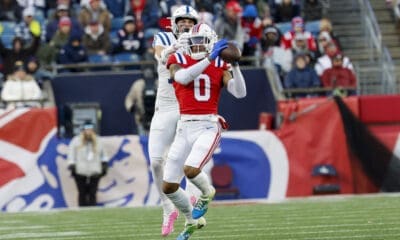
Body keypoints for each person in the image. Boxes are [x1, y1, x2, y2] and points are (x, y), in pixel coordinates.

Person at [164, 23, 246, 240]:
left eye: (201, 40)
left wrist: (235, 66)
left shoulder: (220, 64)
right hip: (184, 126)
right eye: (194, 41)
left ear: (210, 42)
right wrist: (208, 60)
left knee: (191, 170)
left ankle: (207, 193)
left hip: (208, 125)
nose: (197, 45)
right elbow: (182, 78)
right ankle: (192, 221)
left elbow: (239, 94)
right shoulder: (177, 59)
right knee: (169, 186)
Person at [149, 5, 198, 237]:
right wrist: (172, 48)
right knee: (156, 161)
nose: (186, 24)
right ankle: (167, 207)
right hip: (166, 106)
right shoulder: (164, 37)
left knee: (188, 159)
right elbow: (159, 55)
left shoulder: (201, 41)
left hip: (188, 107)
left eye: (190, 21)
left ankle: (192, 198)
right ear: (175, 22)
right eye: (182, 20)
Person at [67, 121, 108, 207]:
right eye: (87, 129)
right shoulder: (76, 141)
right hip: (80, 170)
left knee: (93, 192)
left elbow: (103, 154)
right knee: (82, 192)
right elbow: (71, 154)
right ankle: (82, 210)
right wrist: (72, 165)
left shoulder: (98, 140)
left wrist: (104, 165)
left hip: (94, 170)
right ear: (83, 130)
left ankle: (92, 209)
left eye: (90, 129)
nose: (89, 132)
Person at [125, 65, 157, 136]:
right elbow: (129, 98)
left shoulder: (159, 83)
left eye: (150, 72)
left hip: (157, 117)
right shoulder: (138, 84)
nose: (148, 73)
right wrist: (131, 107)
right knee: (142, 140)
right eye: (146, 72)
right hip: (141, 118)